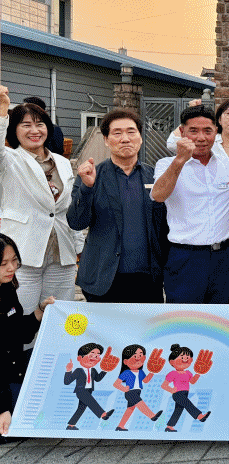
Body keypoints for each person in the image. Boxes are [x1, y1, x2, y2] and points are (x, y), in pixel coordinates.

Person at [151, 105, 229, 304]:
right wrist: (180, 160)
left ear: (216, 132)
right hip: (185, 257)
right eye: (193, 131)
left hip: (222, 257)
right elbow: (159, 196)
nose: (201, 138)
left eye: (207, 131)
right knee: (185, 316)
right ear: (182, 132)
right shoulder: (166, 165)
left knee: (220, 315)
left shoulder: (227, 165)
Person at [69, 109, 168, 303]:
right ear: (106, 140)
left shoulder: (156, 177)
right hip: (103, 278)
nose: (125, 139)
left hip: (148, 279)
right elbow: (76, 222)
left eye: (131, 132)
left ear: (140, 137)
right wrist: (87, 188)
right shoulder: (91, 175)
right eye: (117, 133)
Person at [0, 87, 81, 313]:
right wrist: (2, 111)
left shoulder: (62, 162)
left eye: (40, 124)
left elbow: (66, 208)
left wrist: (78, 246)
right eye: (26, 125)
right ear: (13, 130)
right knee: (21, 314)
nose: (34, 130)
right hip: (23, 254)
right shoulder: (8, 159)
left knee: (59, 314)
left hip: (61, 253)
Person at [1, 235, 54, 438]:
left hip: (11, 368)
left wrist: (40, 312)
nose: (11, 268)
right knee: (17, 427)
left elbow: (18, 333)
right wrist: (2, 408)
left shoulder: (7, 287)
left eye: (14, 260)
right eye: (3, 264)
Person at [112, 344, 163, 431]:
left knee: (130, 409)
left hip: (137, 392)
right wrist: (123, 389)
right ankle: (152, 416)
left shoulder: (141, 372)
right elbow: (116, 384)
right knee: (140, 402)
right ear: (125, 361)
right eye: (135, 356)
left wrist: (152, 372)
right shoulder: (126, 372)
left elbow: (145, 380)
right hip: (130, 392)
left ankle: (120, 426)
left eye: (140, 356)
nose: (138, 358)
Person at [64, 342, 115, 429]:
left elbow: (98, 379)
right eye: (91, 355)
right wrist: (68, 371)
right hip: (81, 391)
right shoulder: (78, 370)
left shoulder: (93, 370)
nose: (94, 358)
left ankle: (71, 425)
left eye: (97, 356)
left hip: (89, 390)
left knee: (81, 408)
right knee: (91, 401)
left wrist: (105, 370)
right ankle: (103, 414)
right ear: (80, 358)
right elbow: (67, 382)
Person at [161, 344, 210, 432]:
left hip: (185, 393)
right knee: (188, 404)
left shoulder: (188, 373)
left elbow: (192, 381)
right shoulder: (173, 373)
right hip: (177, 394)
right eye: (182, 357)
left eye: (187, 358)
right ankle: (199, 416)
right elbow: (164, 385)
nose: (185, 360)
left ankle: (169, 426)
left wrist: (198, 373)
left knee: (178, 410)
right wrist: (171, 390)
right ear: (172, 362)